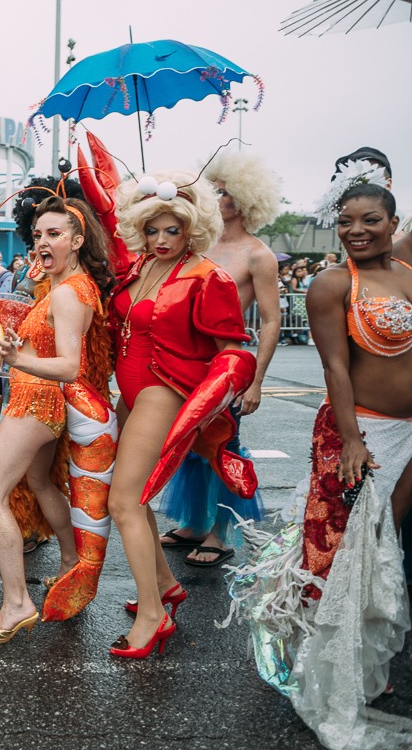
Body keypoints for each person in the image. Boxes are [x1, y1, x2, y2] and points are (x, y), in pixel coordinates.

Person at [223, 107, 412, 747]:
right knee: (339, 550)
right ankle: (311, 654)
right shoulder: (332, 285)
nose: (357, 230)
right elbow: (335, 369)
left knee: (382, 551)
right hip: (355, 430)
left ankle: (362, 661)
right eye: (345, 221)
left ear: (396, 223)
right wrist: (355, 441)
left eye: (371, 220)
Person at [106, 171, 257, 658]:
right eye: (153, 230)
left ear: (191, 229)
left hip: (163, 391)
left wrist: (218, 395)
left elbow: (233, 348)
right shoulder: (137, 269)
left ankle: (153, 616)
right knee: (139, 498)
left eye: (173, 230)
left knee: (123, 502)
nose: (162, 239)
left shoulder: (206, 276)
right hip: (128, 393)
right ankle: (166, 585)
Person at [0, 195, 118, 641]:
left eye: (54, 234)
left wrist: (19, 359)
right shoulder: (65, 285)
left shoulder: (70, 292)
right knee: (40, 483)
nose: (42, 243)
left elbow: (70, 366)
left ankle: (16, 602)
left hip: (36, 403)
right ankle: (72, 564)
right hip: (38, 396)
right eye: (37, 235)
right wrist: (18, 355)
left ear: (77, 240)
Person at [157, 151, 282, 567]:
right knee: (193, 445)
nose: (217, 197)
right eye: (214, 190)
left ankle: (220, 534)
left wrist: (257, 380)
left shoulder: (258, 255)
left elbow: (269, 321)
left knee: (225, 446)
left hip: (225, 367)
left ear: (246, 200)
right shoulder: (198, 244)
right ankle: (194, 525)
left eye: (225, 191)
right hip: (186, 364)